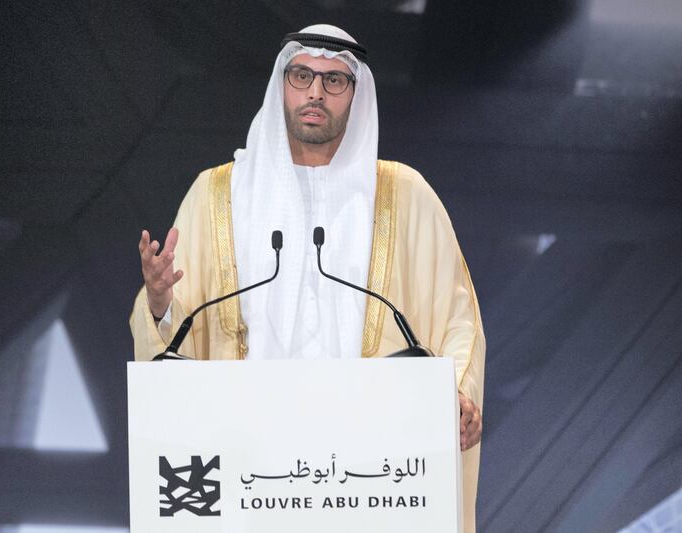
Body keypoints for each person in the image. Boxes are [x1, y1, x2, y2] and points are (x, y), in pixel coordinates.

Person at [130, 24, 485, 532]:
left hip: (372, 483)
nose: (316, 91)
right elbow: (174, 345)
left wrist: (455, 397)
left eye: (334, 80)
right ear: (283, 84)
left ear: (356, 95)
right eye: (302, 75)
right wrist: (160, 302)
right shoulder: (217, 195)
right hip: (250, 476)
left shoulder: (406, 196)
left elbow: (459, 318)